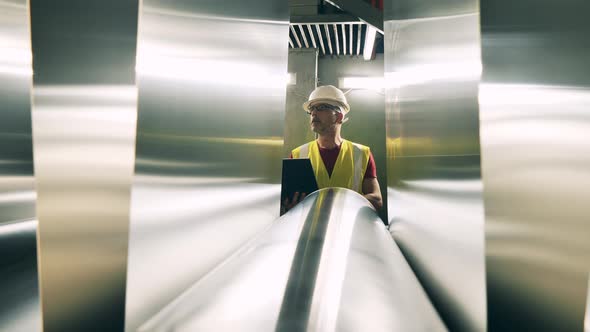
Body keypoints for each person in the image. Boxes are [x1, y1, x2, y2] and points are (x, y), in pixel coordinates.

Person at [283, 85, 383, 212]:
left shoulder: (362, 153)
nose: (313, 113)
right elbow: (290, 202)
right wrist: (290, 208)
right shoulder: (297, 154)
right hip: (310, 229)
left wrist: (337, 203)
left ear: (339, 117)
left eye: (322, 108)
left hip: (349, 228)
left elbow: (377, 200)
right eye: (312, 109)